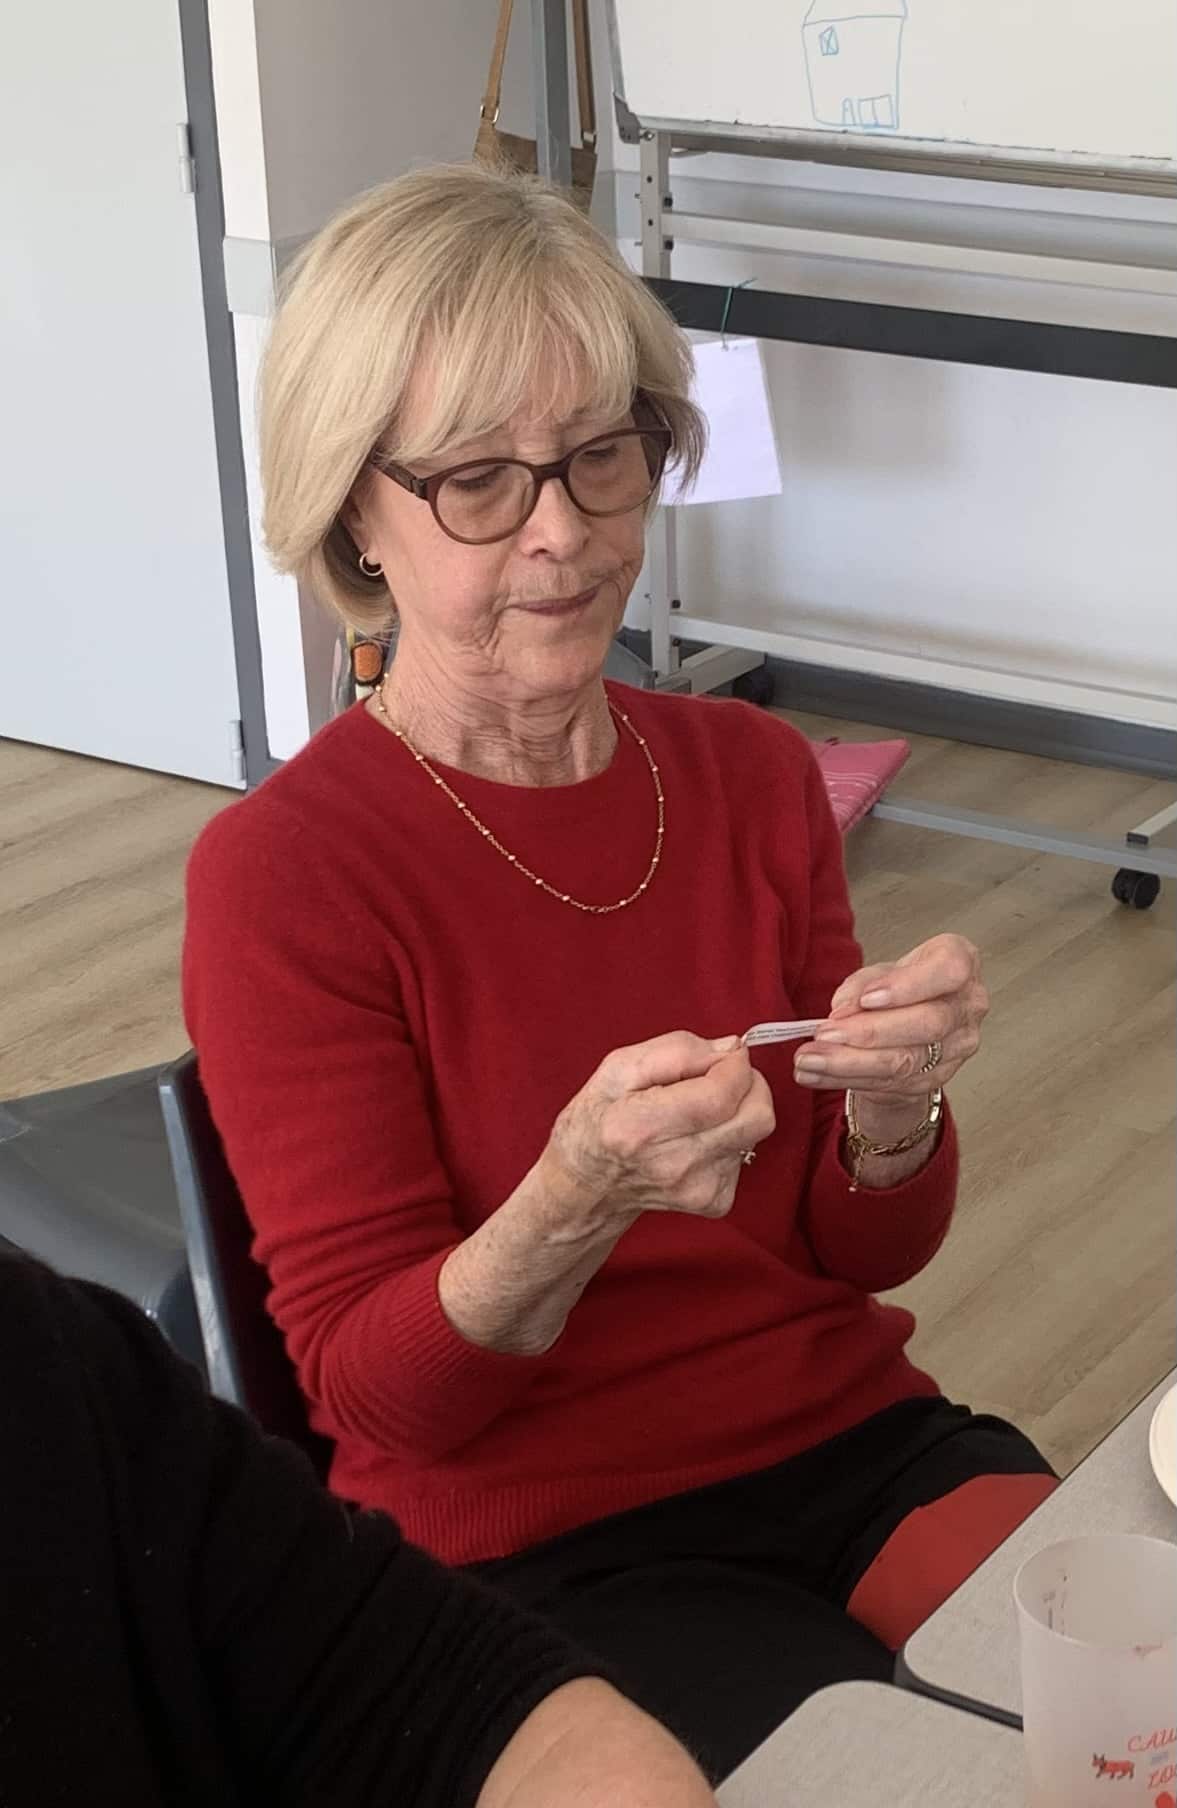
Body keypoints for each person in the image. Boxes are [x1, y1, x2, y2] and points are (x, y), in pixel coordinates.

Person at [183, 162, 1056, 1780]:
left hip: (851, 1441)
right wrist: (572, 1196)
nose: (566, 533)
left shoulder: (747, 772)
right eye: (477, 482)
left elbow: (859, 1255)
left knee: (1127, 1697)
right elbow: (381, 1400)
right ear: (354, 509)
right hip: (541, 1543)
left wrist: (896, 1114)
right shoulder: (287, 875)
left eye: (603, 454)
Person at [0, 1250, 716, 1805]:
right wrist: (584, 1191)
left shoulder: (45, 1361)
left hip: (748, 1477)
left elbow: (454, 1708)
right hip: (561, 1534)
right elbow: (377, 1394)